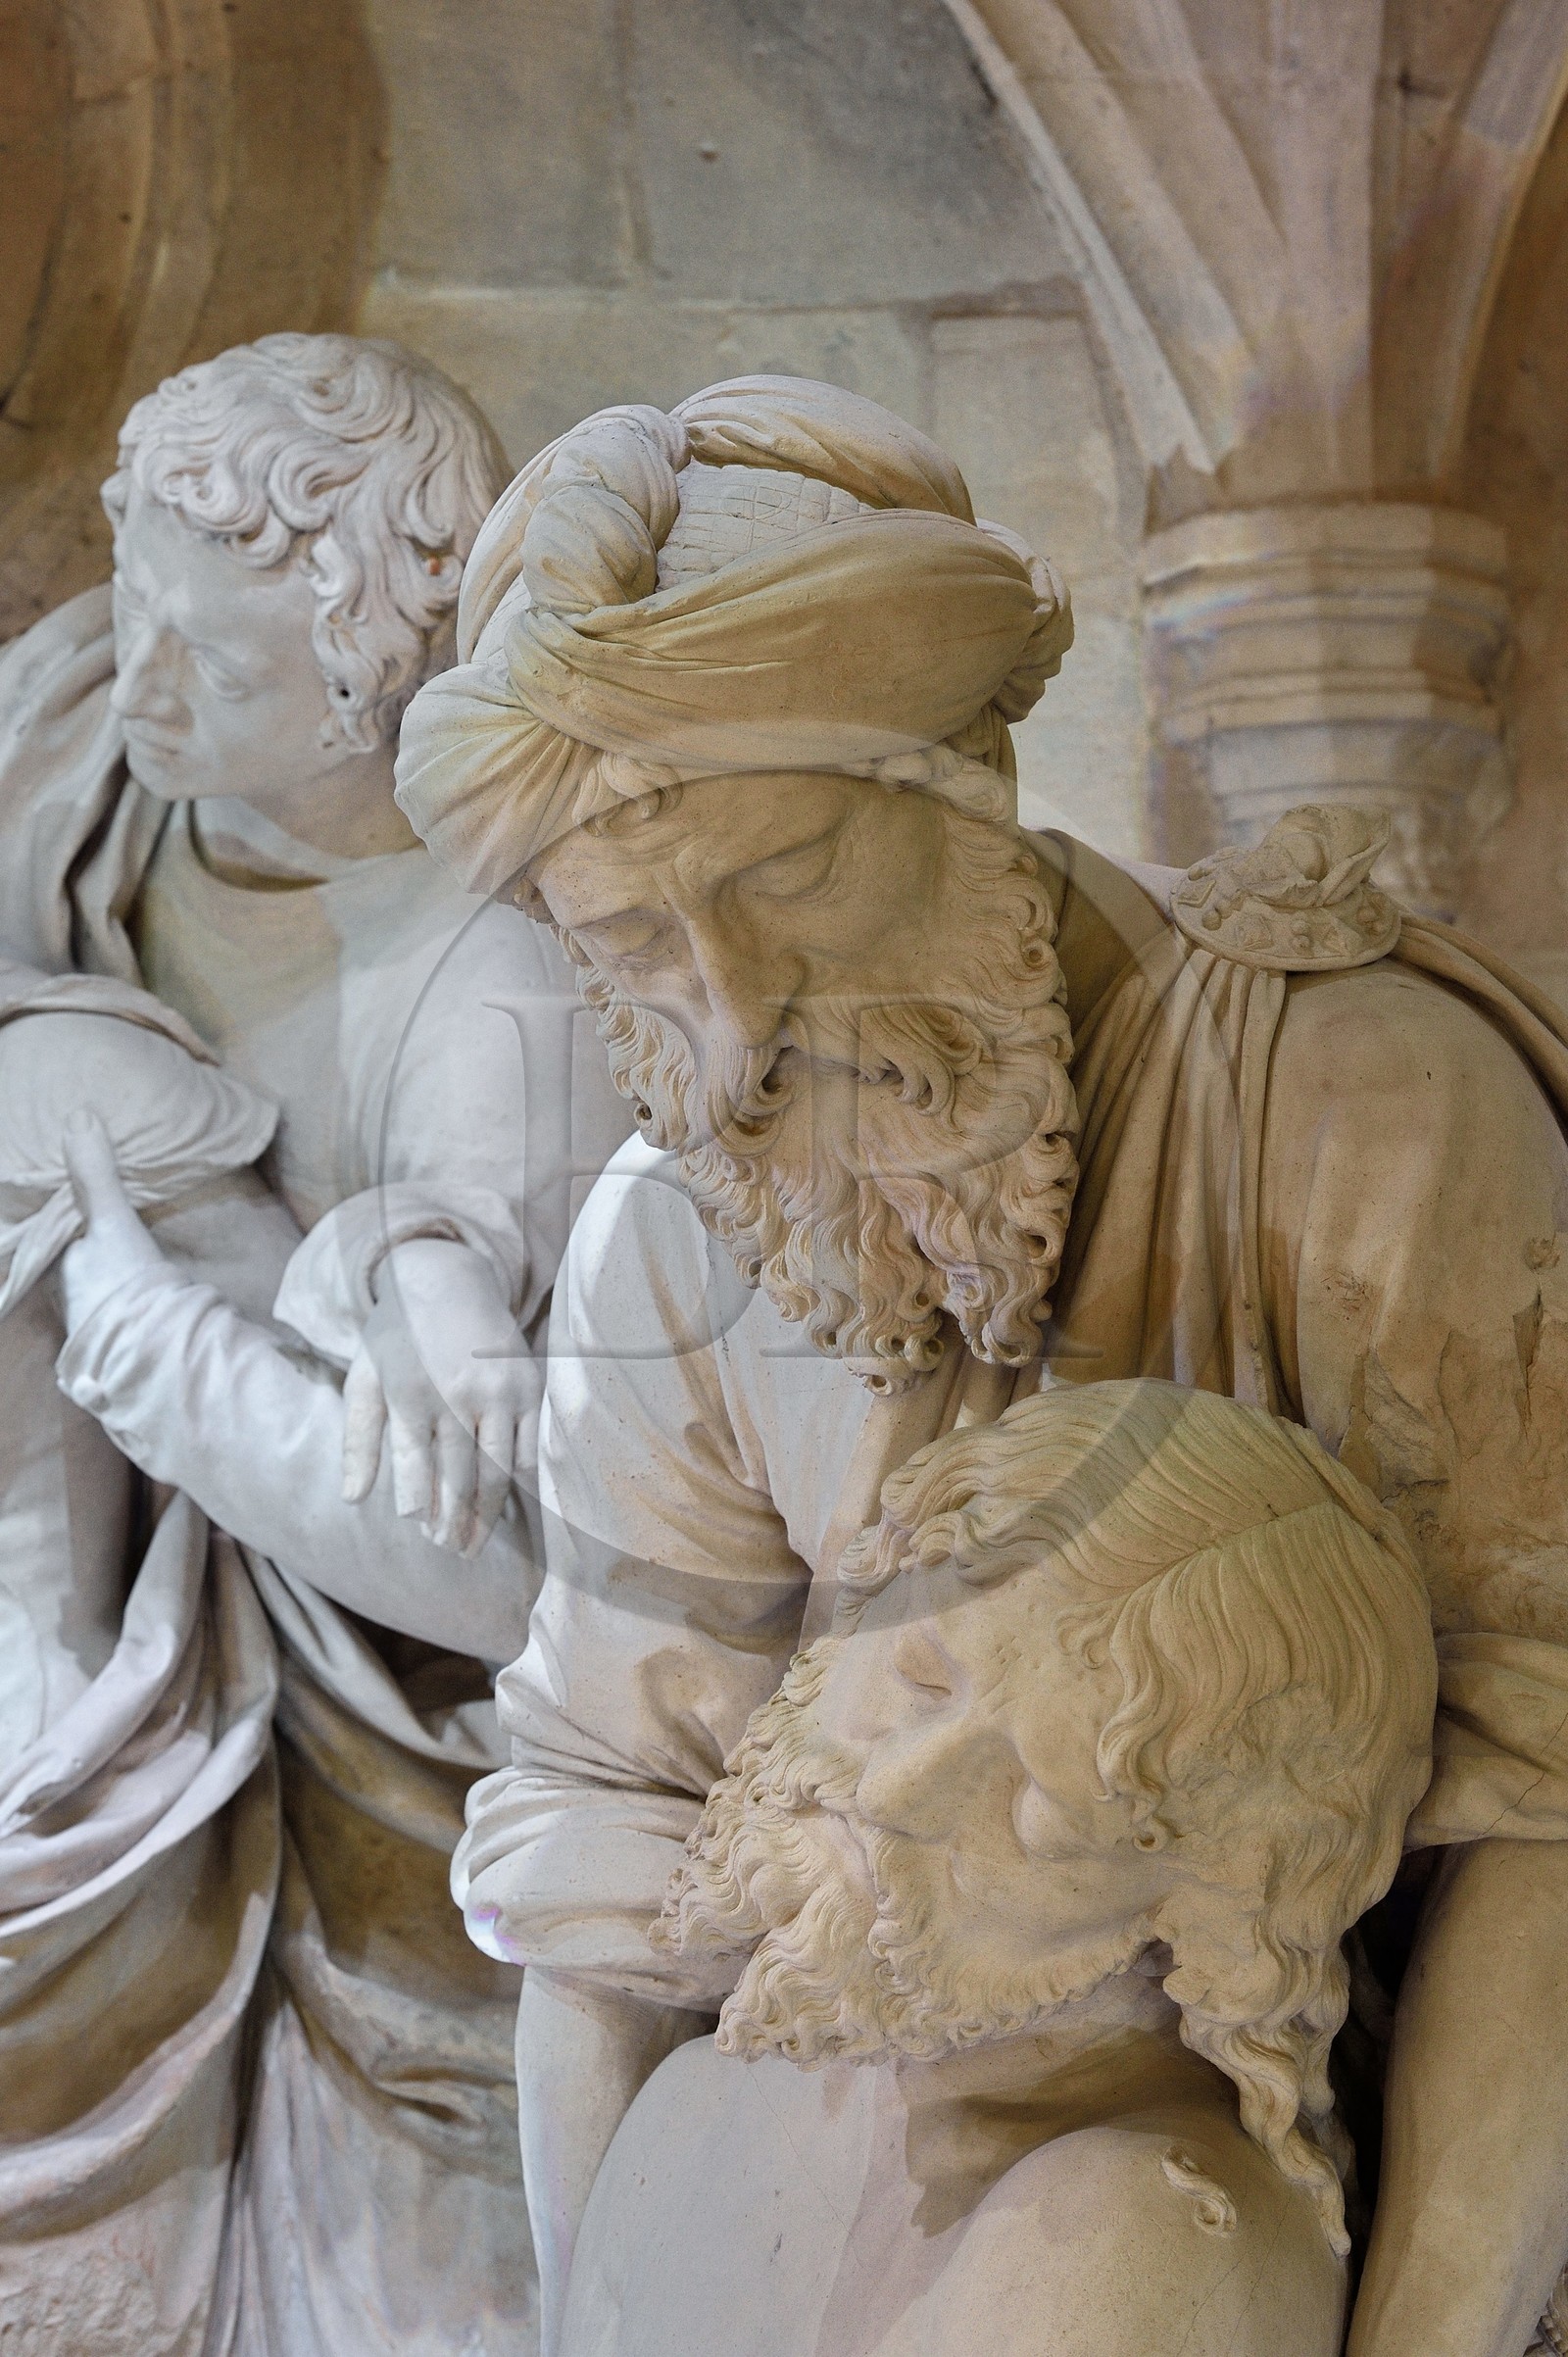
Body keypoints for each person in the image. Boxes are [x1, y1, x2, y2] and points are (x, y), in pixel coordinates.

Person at [391, 375, 1568, 2357]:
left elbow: (1536, 1827)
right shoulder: (674, 1227)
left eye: (777, 878)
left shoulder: (1351, 1099)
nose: (732, 1015)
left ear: (957, 788)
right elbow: (612, 1840)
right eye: (632, 940)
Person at [0, 335, 628, 2355]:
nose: (149, 684)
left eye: (227, 664)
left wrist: (165, 1329)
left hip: (374, 1809)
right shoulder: (91, 722)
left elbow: (518, 1578)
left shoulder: (492, 978)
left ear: (380, 681)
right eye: (142, 612)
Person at [564, 1380, 1437, 2357]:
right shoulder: (708, 2099)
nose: (895, 1786)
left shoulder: (1115, 2230)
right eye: (921, 1673)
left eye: (1038, 1804)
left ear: (1215, 1898)